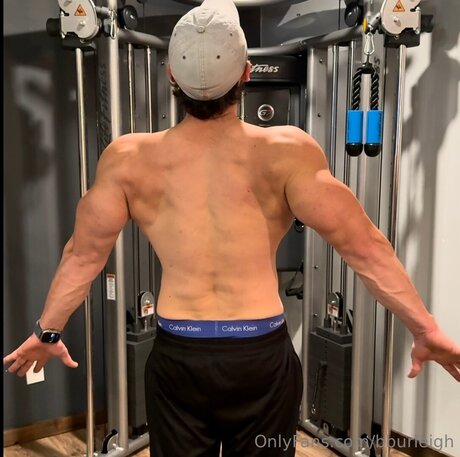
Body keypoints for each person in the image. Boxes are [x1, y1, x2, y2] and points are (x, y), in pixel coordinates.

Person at [4, 0, 460, 456]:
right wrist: (425, 328)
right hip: (260, 358)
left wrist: (47, 332)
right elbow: (366, 248)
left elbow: (82, 256)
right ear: (246, 73)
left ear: (171, 76)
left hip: (179, 356)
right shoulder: (289, 151)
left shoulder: (127, 159)